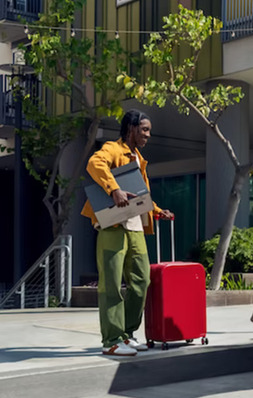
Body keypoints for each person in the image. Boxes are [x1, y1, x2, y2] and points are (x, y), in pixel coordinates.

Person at [81, 109, 174, 356]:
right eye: (144, 130)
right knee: (111, 283)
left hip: (134, 226)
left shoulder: (138, 158)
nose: (148, 135)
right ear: (131, 129)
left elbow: (139, 194)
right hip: (112, 226)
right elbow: (94, 163)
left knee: (142, 280)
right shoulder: (113, 148)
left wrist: (156, 211)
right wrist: (113, 190)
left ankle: (127, 333)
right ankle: (111, 340)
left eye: (148, 130)